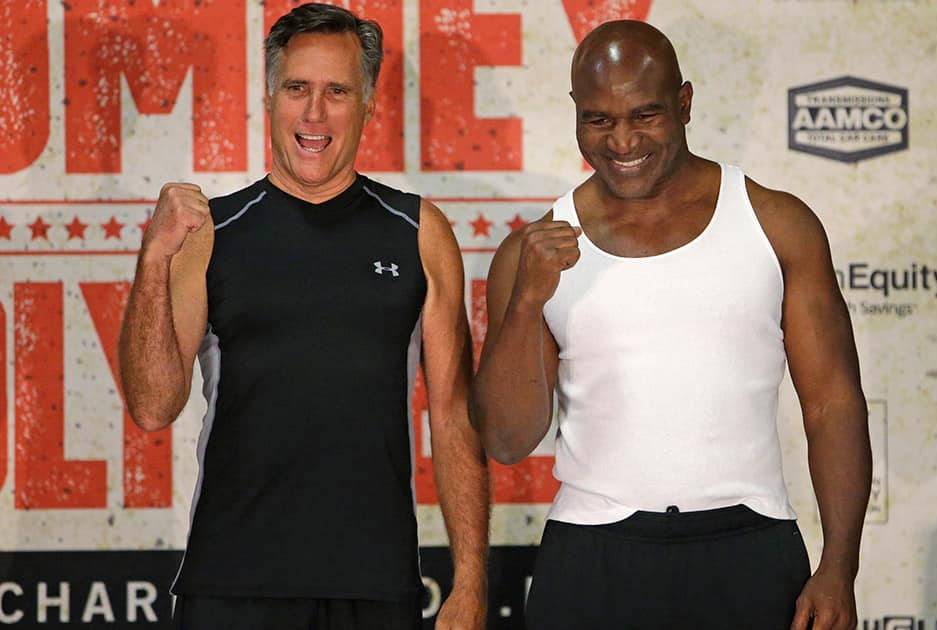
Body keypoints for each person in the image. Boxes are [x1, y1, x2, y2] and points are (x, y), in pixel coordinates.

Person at [471, 20, 871, 630]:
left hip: (750, 547)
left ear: (684, 103)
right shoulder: (533, 252)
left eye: (645, 115)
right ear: (576, 112)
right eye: (598, 119)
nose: (622, 140)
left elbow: (833, 404)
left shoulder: (775, 223)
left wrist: (839, 565)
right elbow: (505, 439)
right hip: (591, 556)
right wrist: (527, 303)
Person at [118, 4, 488, 629]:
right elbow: (153, 405)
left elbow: (454, 417)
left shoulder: (418, 232)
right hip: (231, 583)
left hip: (376, 584)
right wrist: (154, 257)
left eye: (336, 91)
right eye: (297, 89)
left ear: (368, 103)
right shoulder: (212, 234)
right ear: (270, 98)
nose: (314, 114)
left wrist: (472, 581)